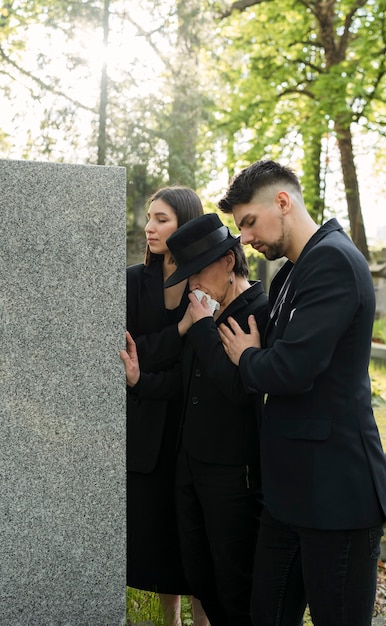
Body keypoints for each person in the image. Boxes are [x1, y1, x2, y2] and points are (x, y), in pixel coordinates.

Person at [216, 159, 386, 626]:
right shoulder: (293, 269)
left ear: (283, 201)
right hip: (290, 493)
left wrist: (247, 358)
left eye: (249, 223)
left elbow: (292, 368)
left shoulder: (333, 259)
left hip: (337, 493)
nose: (247, 239)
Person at [122, 212, 269, 626]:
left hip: (231, 478)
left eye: (197, 272)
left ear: (227, 261)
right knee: (200, 578)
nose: (193, 285)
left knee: (232, 585)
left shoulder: (257, 312)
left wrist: (203, 326)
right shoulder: (210, 308)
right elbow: (183, 383)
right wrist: (139, 380)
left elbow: (238, 390)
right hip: (190, 471)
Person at [123, 186, 208, 626]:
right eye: (150, 218)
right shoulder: (133, 282)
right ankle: (169, 620)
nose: (149, 226)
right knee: (160, 531)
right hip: (148, 426)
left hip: (194, 423)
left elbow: (200, 362)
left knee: (193, 533)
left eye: (161, 219)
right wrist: (181, 330)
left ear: (185, 226)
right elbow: (131, 352)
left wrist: (146, 375)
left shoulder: (204, 280)